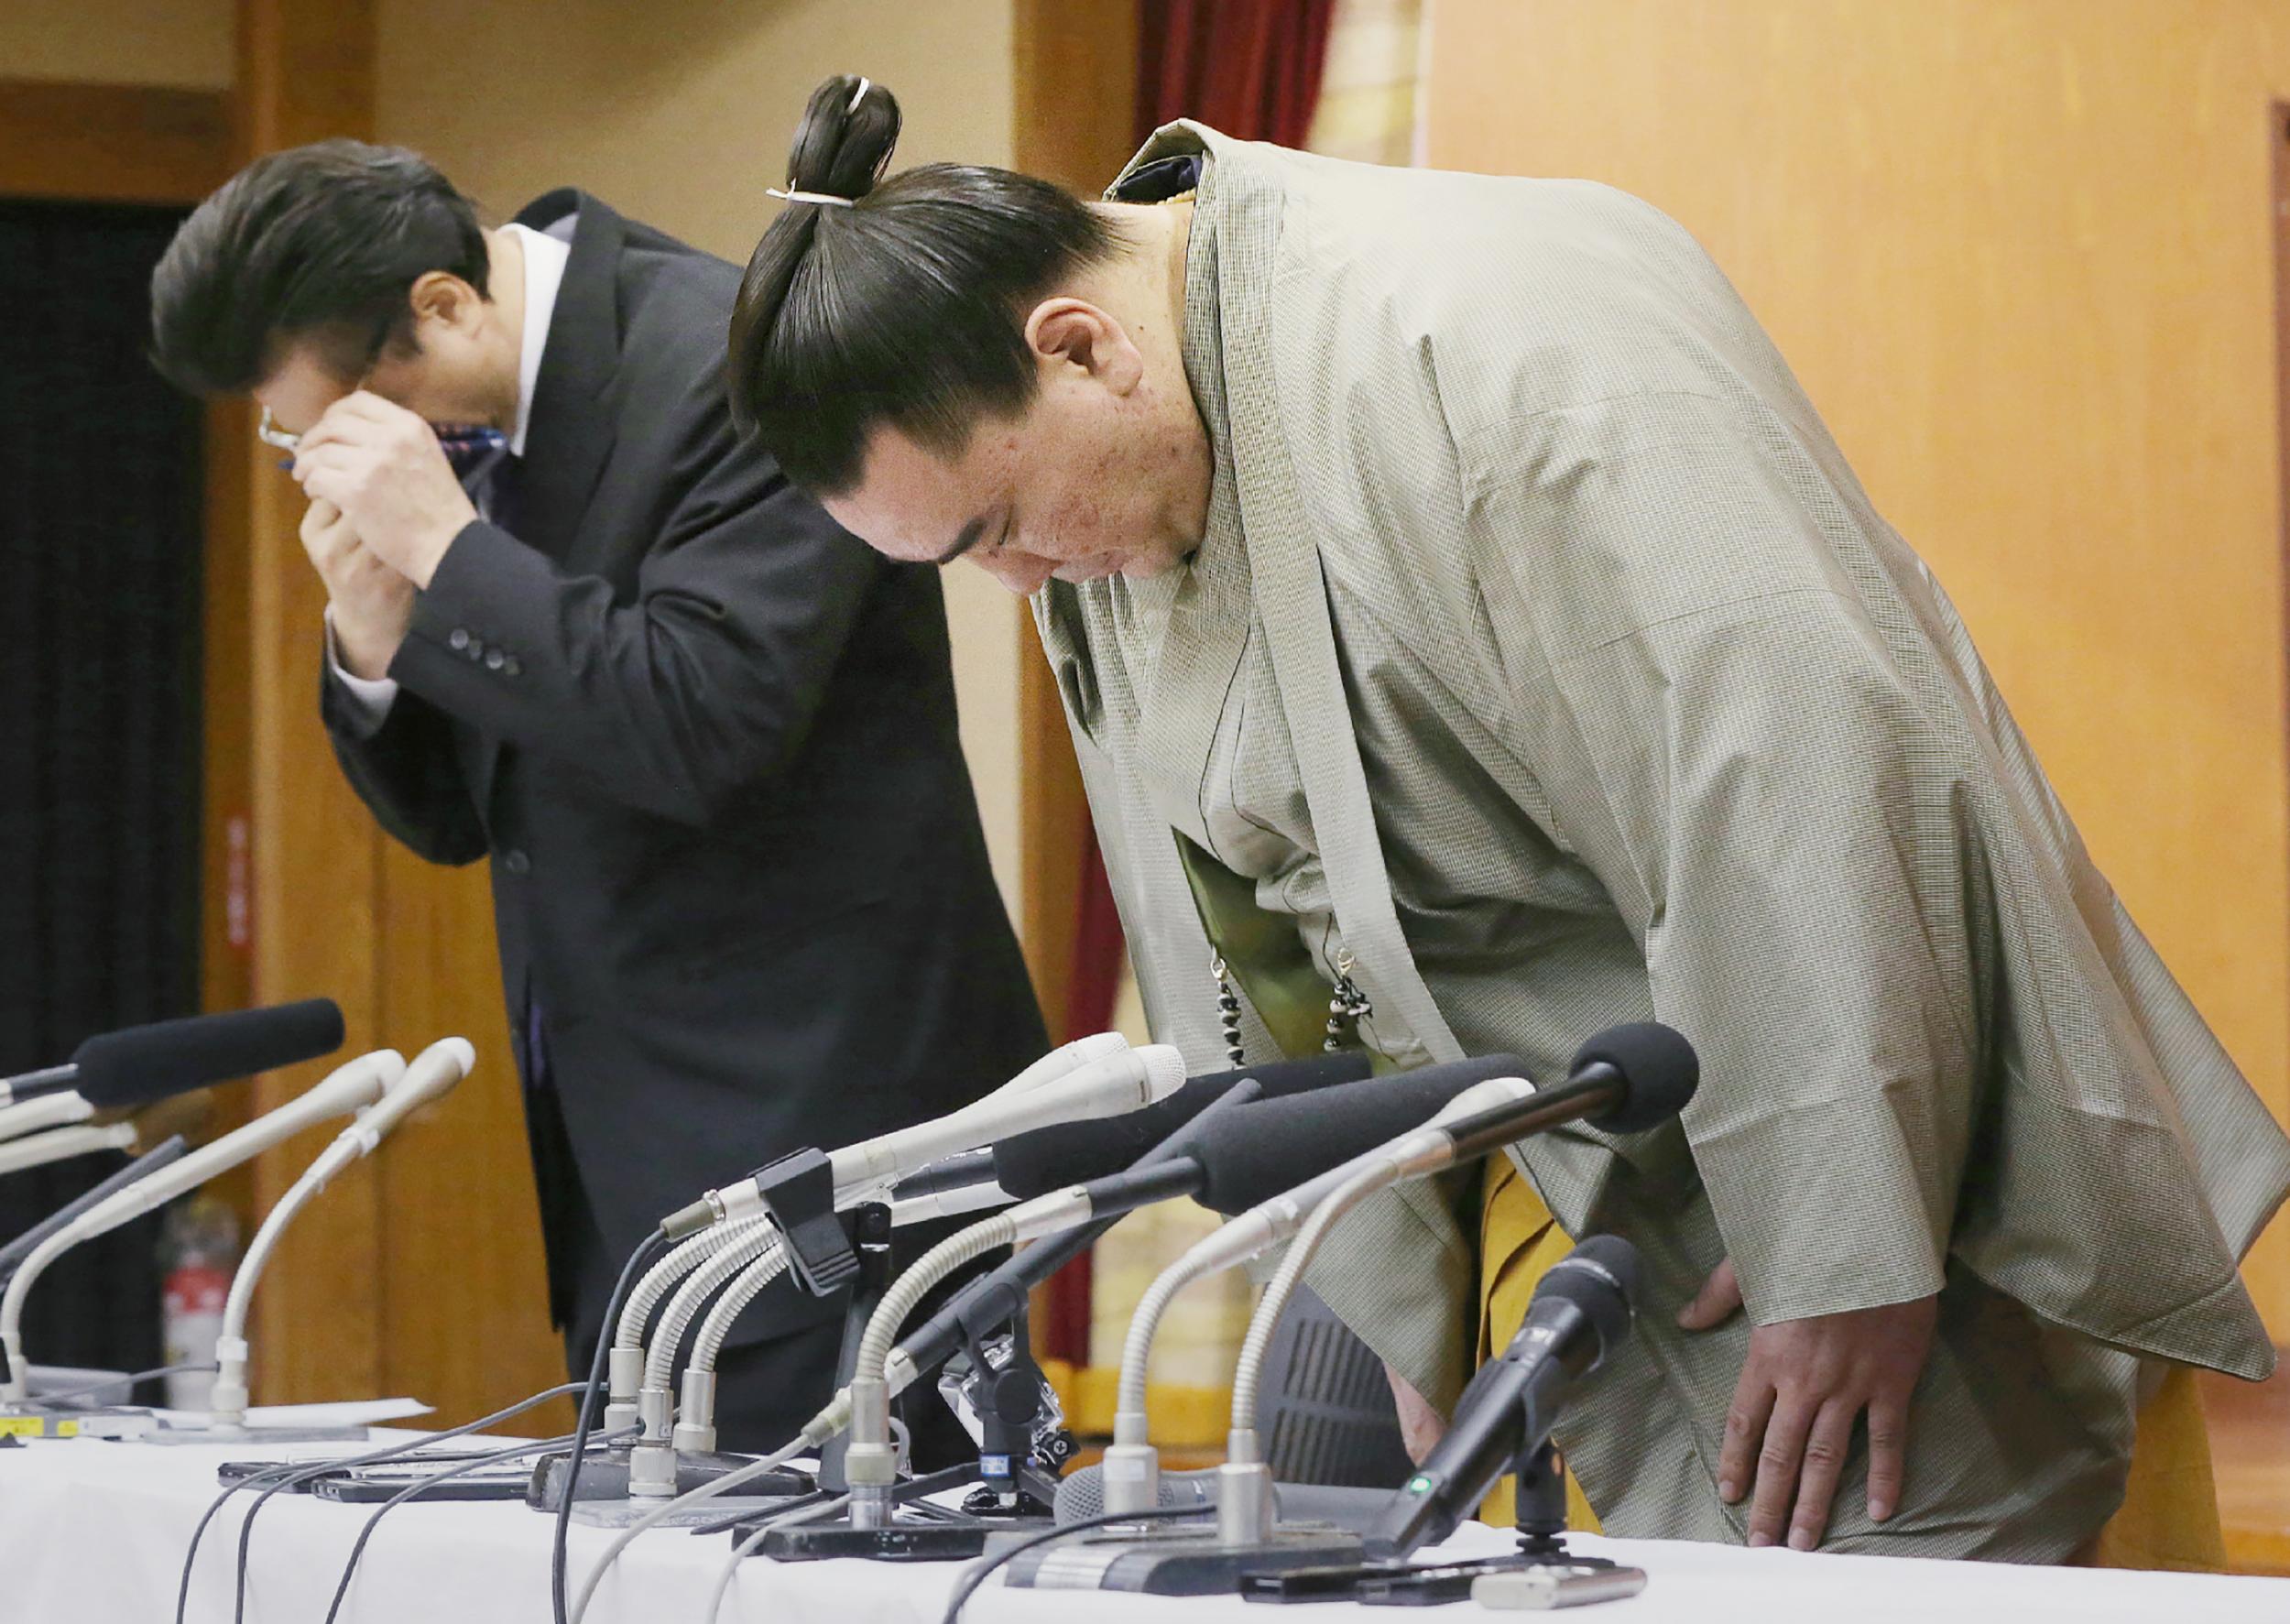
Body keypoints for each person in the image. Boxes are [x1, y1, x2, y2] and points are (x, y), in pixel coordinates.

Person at [722, 75, 2290, 1562]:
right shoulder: (1123, 481)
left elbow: (1797, 753)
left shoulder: (1489, 334)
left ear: (1077, 347)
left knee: (1892, 1522)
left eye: (996, 529)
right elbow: (1239, 919)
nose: (1016, 582)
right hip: (1540, 1205)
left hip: (1829, 1147)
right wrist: (1400, 1292)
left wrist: (1846, 1239)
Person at [149, 139, 1049, 1453]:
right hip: (627, 1165)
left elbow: (703, 723)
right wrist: (373, 640)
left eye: (334, 417)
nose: (323, 459)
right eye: (295, 432)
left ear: (443, 306)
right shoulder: (466, 431)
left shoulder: (741, 364)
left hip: (840, 1139)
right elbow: (462, 821)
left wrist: (449, 552)